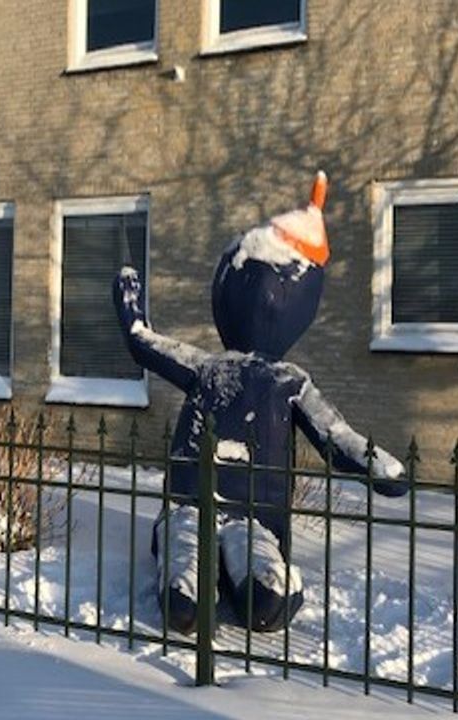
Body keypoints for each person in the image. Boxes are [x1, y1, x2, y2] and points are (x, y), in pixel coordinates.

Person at [112, 172, 408, 634]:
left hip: (255, 517)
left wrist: (376, 465)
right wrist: (130, 307)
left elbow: (334, 435)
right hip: (189, 506)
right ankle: (188, 587)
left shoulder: (289, 382)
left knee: (257, 575)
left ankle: (264, 588)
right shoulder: (206, 366)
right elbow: (144, 343)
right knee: (185, 561)